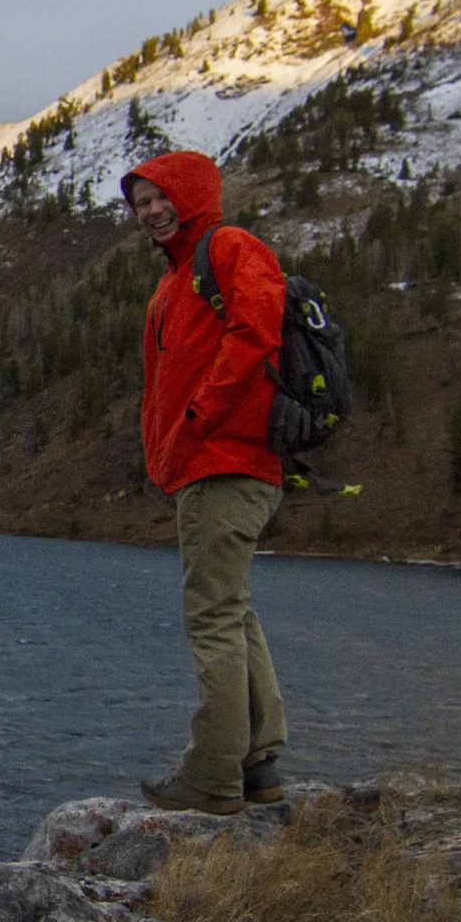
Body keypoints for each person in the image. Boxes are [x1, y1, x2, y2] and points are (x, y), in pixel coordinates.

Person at [122, 150, 288, 816]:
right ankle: (260, 759)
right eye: (140, 204)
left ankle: (214, 774)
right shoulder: (178, 279)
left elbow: (257, 333)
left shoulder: (228, 248)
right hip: (209, 461)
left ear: (192, 192)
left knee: (212, 616)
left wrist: (197, 418)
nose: (152, 211)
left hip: (223, 460)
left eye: (161, 196)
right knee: (233, 609)